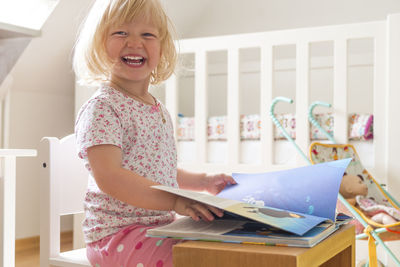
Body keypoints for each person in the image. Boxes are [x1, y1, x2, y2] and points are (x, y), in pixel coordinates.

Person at [73, 0, 236, 266]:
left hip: (158, 228)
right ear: (99, 45)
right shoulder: (103, 108)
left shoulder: (157, 109)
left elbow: (162, 171)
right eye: (121, 33)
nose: (135, 43)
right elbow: (111, 178)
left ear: (162, 49)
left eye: (147, 34)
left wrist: (203, 181)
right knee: (199, 259)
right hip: (115, 236)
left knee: (223, 246)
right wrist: (175, 200)